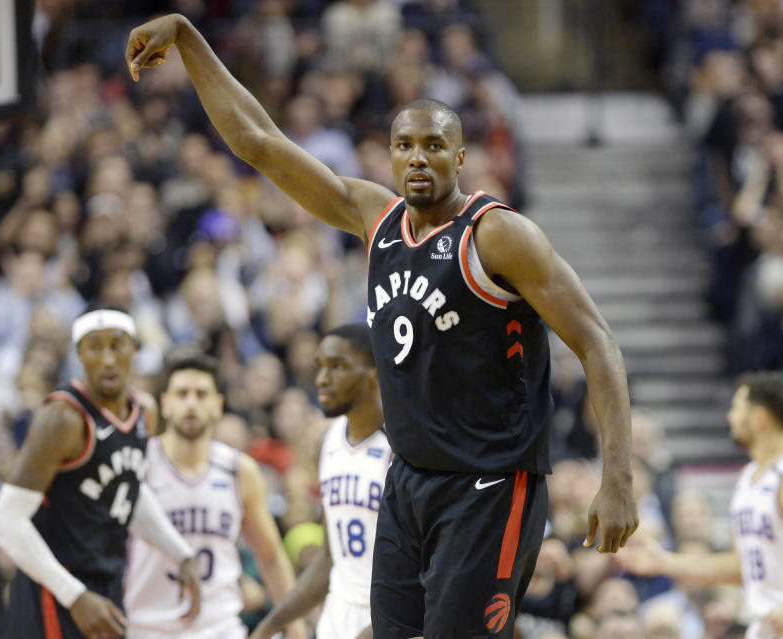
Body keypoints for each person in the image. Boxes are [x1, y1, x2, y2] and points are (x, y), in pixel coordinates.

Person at [126, 16, 638, 638]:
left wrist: (618, 478)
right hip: (408, 479)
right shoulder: (376, 218)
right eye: (405, 145)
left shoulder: (497, 235)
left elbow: (596, 341)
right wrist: (186, 36)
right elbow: (258, 140)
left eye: (432, 145)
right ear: (390, 152)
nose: (418, 158)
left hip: (490, 486)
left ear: (460, 155)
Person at [0, 306, 202, 639]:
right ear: (79, 354)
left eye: (117, 345)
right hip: (55, 586)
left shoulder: (145, 411)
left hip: (107, 582)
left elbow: (127, 490)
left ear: (134, 348)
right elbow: (5, 521)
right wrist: (73, 595)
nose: (107, 359)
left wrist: (180, 553)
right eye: (95, 346)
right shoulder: (62, 418)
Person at [618, 372, 783, 639]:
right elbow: (741, 567)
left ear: (759, 419)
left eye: (736, 409)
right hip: (774, 623)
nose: (730, 417)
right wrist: (663, 562)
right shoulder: (748, 479)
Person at [123, 352, 304, 638]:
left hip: (220, 627)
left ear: (218, 406)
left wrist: (295, 626)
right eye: (182, 394)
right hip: (149, 627)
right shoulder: (138, 465)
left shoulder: (238, 470)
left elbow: (270, 555)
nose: (191, 403)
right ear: (166, 405)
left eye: (201, 394)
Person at [250, 323, 388, 639]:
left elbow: (425, 571)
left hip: (388, 622)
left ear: (374, 373)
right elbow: (330, 558)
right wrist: (270, 625)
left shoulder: (399, 449)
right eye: (320, 367)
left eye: (338, 367)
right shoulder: (328, 442)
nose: (322, 380)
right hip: (337, 619)